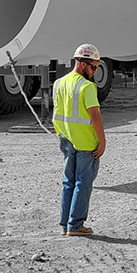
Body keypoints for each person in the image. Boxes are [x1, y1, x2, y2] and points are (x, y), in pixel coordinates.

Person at [53, 43, 107, 236]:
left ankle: (65, 224)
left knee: (69, 182)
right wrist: (102, 141)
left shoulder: (59, 83)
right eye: (93, 67)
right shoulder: (87, 87)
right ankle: (75, 225)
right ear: (83, 64)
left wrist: (62, 136)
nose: (94, 72)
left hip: (67, 141)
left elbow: (57, 114)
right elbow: (95, 117)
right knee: (82, 183)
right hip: (86, 144)